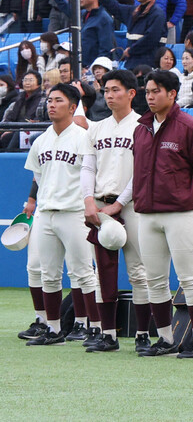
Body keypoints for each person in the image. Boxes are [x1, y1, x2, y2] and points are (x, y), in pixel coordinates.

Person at [133, 70, 193, 358]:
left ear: (172, 94)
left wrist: (192, 201)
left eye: (156, 91)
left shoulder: (191, 126)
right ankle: (166, 340)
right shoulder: (141, 127)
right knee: (154, 280)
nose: (150, 96)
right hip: (146, 214)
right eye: (147, 91)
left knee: (189, 278)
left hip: (181, 213)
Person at [22, 84, 97, 346]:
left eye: (58, 100)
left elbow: (91, 176)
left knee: (83, 272)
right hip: (47, 212)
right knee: (48, 273)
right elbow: (38, 177)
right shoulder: (41, 140)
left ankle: (92, 326)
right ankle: (53, 330)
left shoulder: (83, 137)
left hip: (75, 213)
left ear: (73, 106)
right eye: (49, 100)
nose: (51, 104)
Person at [80, 69, 149, 353]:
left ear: (132, 93)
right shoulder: (96, 128)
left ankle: (143, 333)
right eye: (106, 90)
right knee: (103, 273)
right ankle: (108, 334)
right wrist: (87, 200)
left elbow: (142, 171)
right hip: (100, 205)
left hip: (132, 206)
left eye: (116, 90)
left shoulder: (143, 126)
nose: (109, 95)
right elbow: (88, 167)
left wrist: (120, 202)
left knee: (139, 272)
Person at [96, 0, 167, 70]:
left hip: (148, 65)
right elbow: (116, 7)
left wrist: (131, 50)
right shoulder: (134, 12)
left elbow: (150, 39)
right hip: (132, 63)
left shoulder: (157, 14)